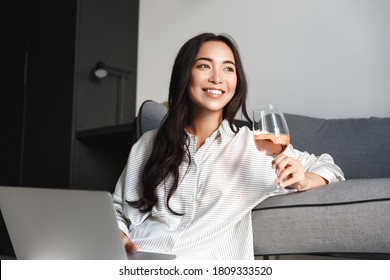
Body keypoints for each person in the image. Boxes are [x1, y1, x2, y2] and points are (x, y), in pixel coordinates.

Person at [112, 32, 345, 260]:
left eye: (228, 68)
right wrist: (118, 233)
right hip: (138, 258)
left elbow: (330, 168)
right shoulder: (149, 143)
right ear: (185, 74)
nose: (217, 78)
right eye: (204, 66)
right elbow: (118, 208)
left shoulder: (254, 146)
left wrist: (303, 179)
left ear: (237, 81)